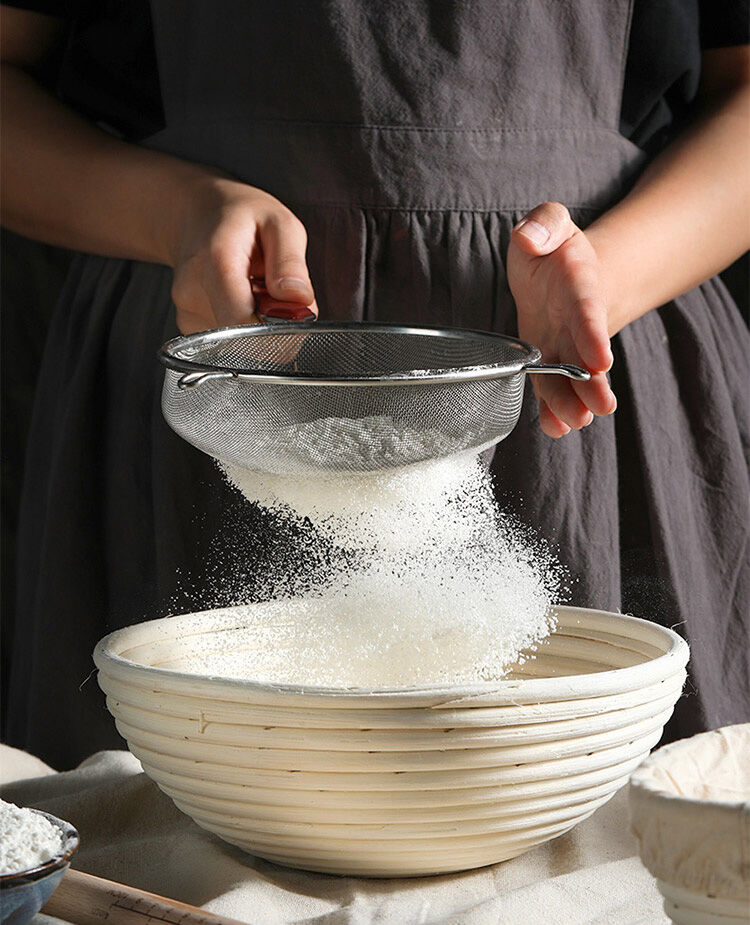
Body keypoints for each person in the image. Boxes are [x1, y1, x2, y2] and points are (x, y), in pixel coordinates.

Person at [2, 1, 748, 769]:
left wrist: (606, 275)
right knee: (162, 824)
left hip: (585, 355)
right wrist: (171, 211)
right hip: (220, 354)